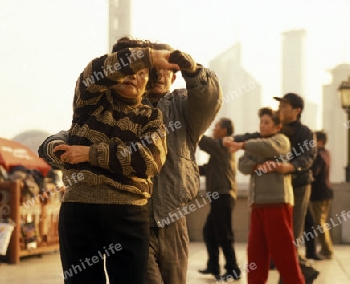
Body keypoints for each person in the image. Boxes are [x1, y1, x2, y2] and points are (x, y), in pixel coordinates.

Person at [38, 38, 177, 284]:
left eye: (142, 73)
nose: (133, 76)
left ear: (148, 82)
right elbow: (94, 71)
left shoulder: (152, 118)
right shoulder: (88, 103)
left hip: (128, 213)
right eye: (128, 69)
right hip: (80, 208)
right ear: (114, 75)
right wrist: (150, 57)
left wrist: (89, 154)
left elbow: (148, 162)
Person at [143, 46, 222, 284]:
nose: (159, 76)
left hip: (174, 218)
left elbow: (209, 100)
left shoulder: (183, 106)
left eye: (165, 70)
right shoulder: (130, 107)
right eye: (153, 69)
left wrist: (194, 71)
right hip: (138, 217)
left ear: (174, 76)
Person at [225, 93, 318, 283]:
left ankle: (295, 277)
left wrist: (290, 167)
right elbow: (248, 150)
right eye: (280, 106)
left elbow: (308, 157)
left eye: (285, 106)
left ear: (296, 110)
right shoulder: (262, 137)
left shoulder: (301, 134)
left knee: (289, 241)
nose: (280, 109)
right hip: (262, 200)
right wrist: (234, 140)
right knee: (262, 247)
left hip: (296, 187)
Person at [197, 118, 240, 280]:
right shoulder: (219, 152)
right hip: (219, 196)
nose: (213, 130)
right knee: (210, 231)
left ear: (224, 131)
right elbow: (209, 169)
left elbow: (205, 142)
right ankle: (213, 265)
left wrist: (195, 128)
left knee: (224, 233)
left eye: (216, 127)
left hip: (224, 195)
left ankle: (233, 268)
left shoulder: (224, 144)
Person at [308, 130, 334, 259]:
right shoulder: (326, 153)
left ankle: (326, 249)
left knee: (319, 222)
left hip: (318, 193)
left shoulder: (318, 155)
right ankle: (326, 248)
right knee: (321, 221)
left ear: (320, 142)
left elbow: (314, 172)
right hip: (326, 191)